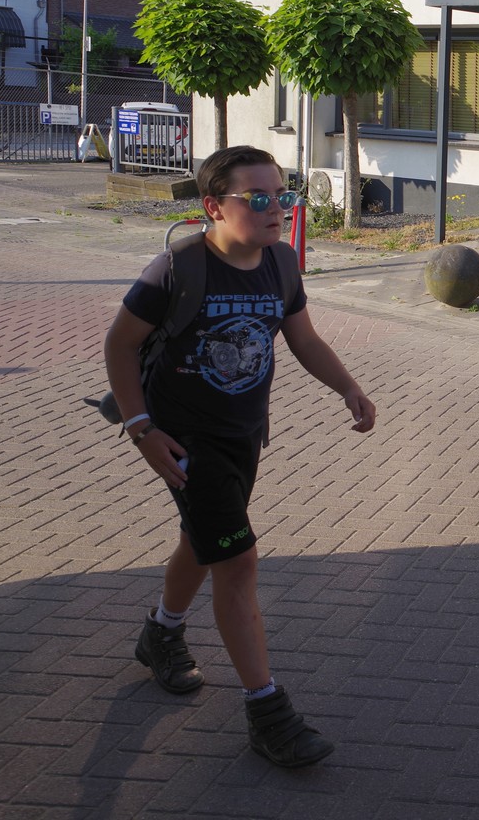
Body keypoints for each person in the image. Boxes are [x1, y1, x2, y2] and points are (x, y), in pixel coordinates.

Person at [103, 145, 377, 768]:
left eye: (283, 194)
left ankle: (161, 633)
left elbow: (303, 337)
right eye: (257, 198)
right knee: (237, 559)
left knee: (203, 539)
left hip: (244, 435)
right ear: (213, 207)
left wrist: (349, 387)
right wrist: (141, 428)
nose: (276, 207)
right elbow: (119, 345)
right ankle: (267, 712)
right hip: (183, 439)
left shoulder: (280, 262)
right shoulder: (176, 268)